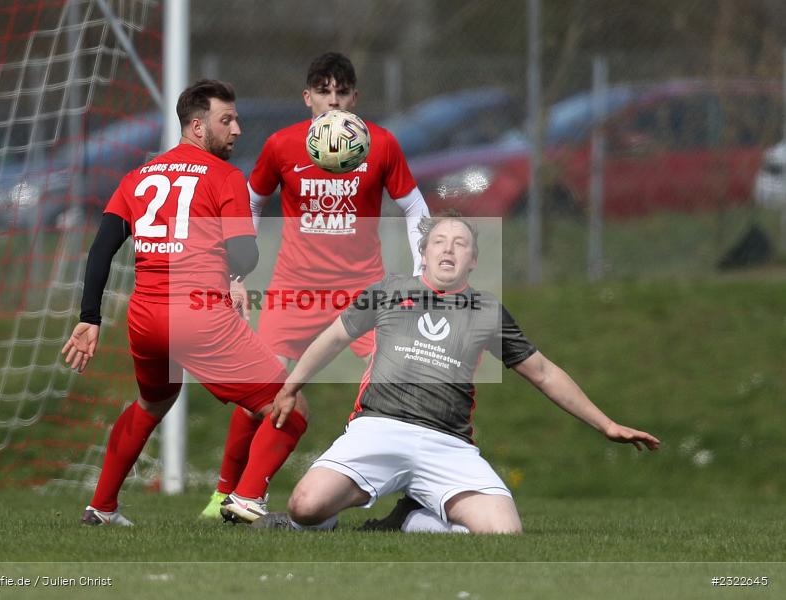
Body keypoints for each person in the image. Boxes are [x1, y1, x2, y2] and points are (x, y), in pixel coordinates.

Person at [253, 210, 661, 534]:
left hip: (448, 444)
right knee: (304, 507)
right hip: (379, 428)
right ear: (425, 252)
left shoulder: (486, 310)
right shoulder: (389, 289)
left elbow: (543, 372)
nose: (449, 250)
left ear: (473, 259)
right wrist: (290, 388)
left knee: (503, 534)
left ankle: (412, 520)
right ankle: (318, 524)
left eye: (460, 243)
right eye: (440, 242)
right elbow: (333, 339)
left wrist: (606, 424)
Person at [61, 79, 308, 526]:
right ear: (197, 126)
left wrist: (90, 317)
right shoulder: (225, 176)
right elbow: (245, 254)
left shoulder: (138, 176)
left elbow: (101, 249)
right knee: (288, 406)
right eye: (226, 120)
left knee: (152, 403)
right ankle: (247, 498)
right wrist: (236, 271)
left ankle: (101, 507)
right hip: (199, 317)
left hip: (145, 318)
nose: (237, 129)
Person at [201, 52, 430, 518]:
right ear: (307, 97)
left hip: (363, 292)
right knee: (258, 394)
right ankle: (225, 494)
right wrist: (236, 272)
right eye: (323, 91)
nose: (333, 101)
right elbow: (251, 202)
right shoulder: (282, 145)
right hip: (293, 291)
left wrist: (423, 272)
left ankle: (387, 487)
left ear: (354, 97)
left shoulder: (381, 145)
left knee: (396, 384)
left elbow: (415, 207)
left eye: (341, 92)